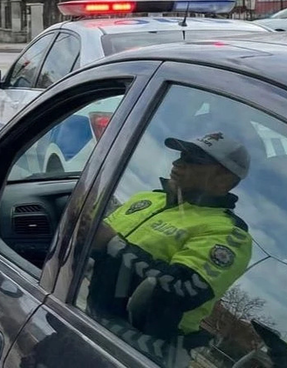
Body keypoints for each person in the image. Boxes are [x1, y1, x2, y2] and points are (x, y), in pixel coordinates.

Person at [86, 131, 253, 365]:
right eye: (181, 155)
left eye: (193, 160)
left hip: (137, 348)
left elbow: (186, 288)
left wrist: (113, 244)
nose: (177, 163)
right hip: (82, 311)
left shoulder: (228, 233)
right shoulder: (146, 199)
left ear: (223, 179)